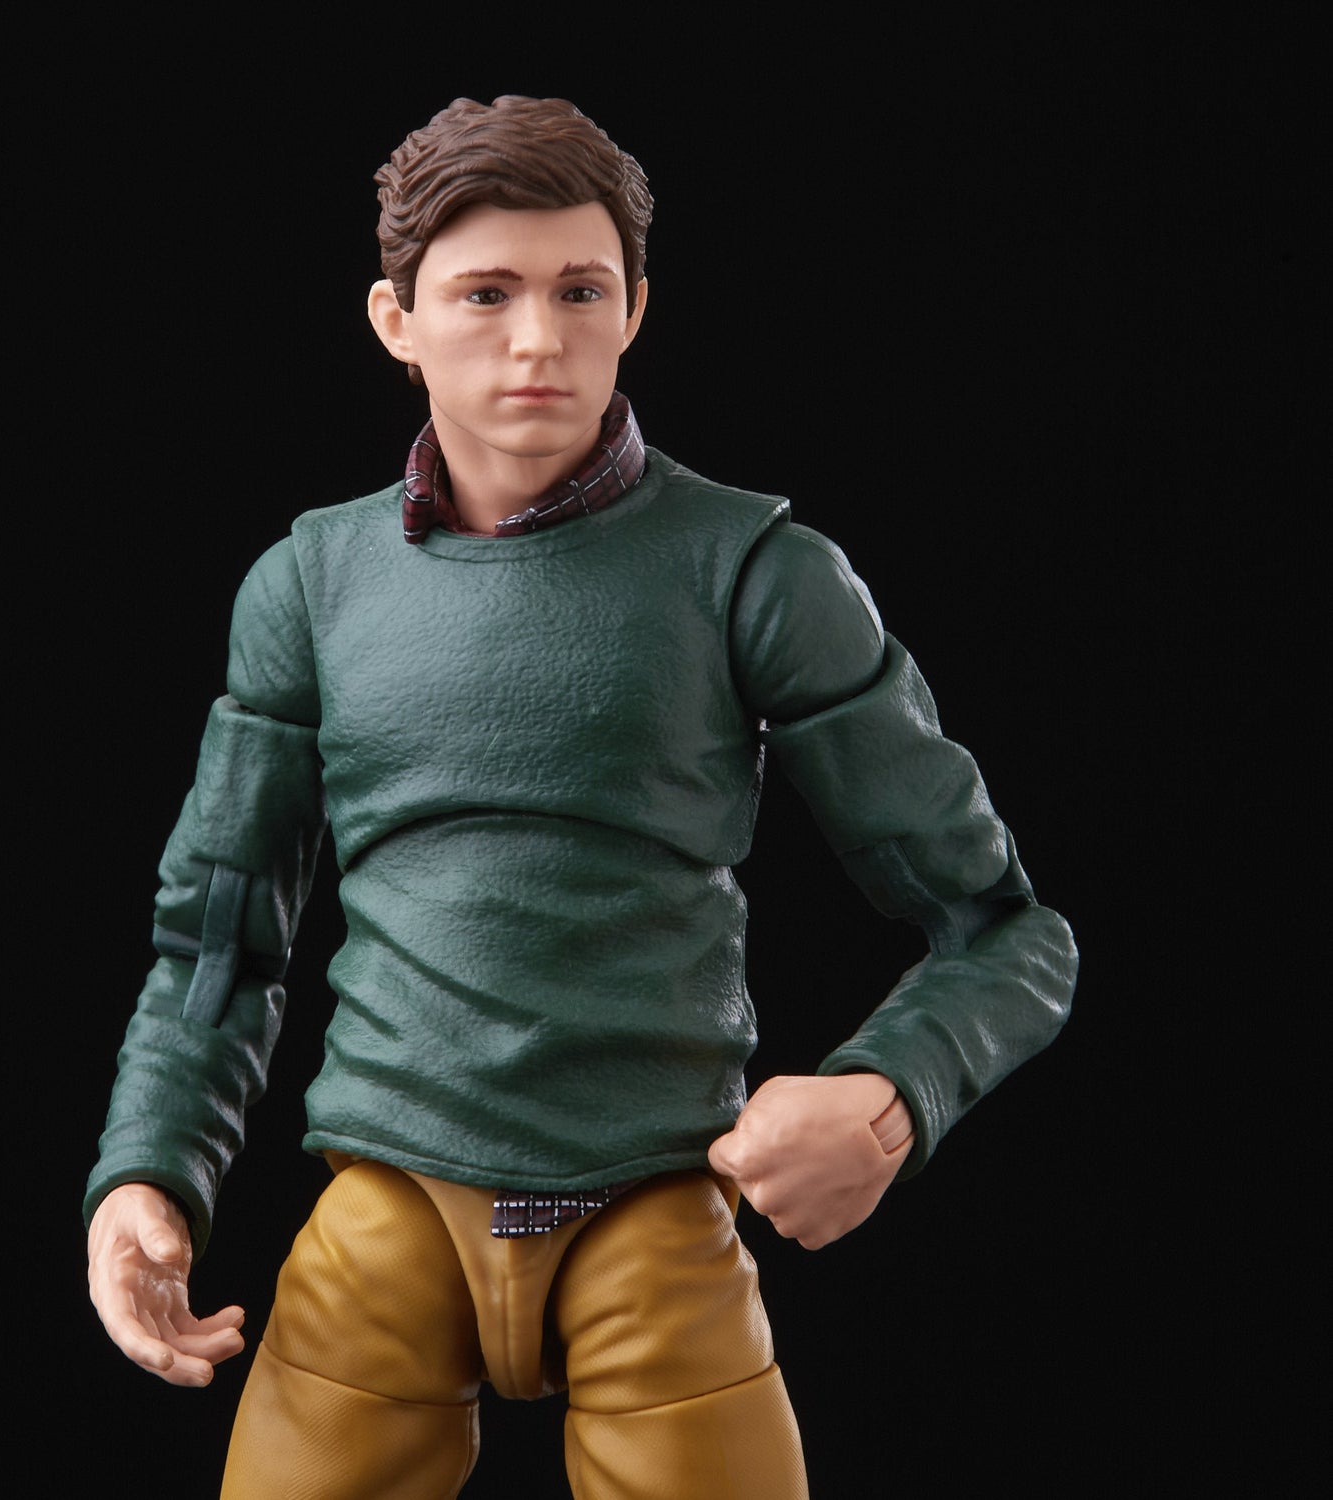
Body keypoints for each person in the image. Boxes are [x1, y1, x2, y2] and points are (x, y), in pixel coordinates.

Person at [84, 95, 1078, 1499]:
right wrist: (148, 1174)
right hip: (392, 1216)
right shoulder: (310, 588)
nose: (537, 339)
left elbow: (1006, 931)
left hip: (654, 1214)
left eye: (580, 290)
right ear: (397, 320)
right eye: (485, 293)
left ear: (636, 309)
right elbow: (217, 945)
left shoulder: (755, 575)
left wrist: (888, 1096)